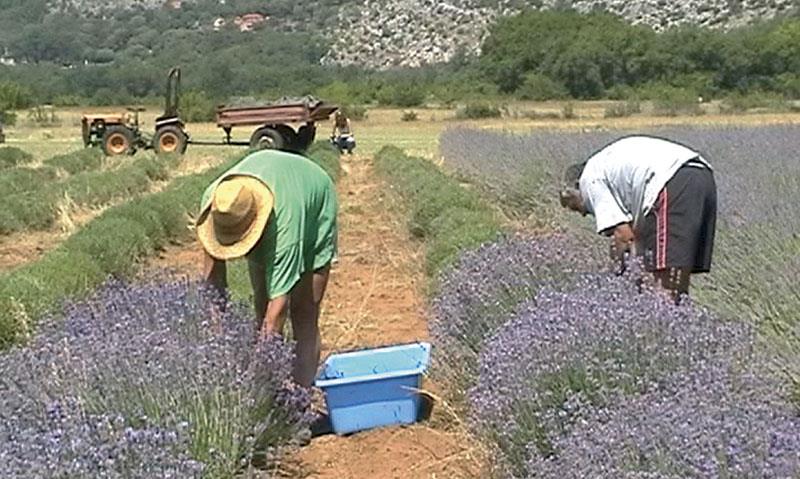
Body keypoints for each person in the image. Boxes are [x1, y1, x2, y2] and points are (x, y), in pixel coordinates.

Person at [197, 148, 338, 387]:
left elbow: (278, 309)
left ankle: (300, 398)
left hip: (311, 198)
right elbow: (213, 286)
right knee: (261, 305)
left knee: (303, 311)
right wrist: (218, 346)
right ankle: (275, 389)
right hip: (271, 194)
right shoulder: (218, 203)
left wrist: (254, 382)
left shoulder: (285, 228)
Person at [559, 135, 717, 297]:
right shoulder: (604, 166)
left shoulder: (589, 180)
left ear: (577, 186)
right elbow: (636, 238)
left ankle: (660, 321)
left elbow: (624, 236)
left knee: (664, 286)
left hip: (672, 182)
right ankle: (680, 318)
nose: (583, 213)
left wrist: (616, 277)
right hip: (702, 175)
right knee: (676, 276)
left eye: (574, 206)